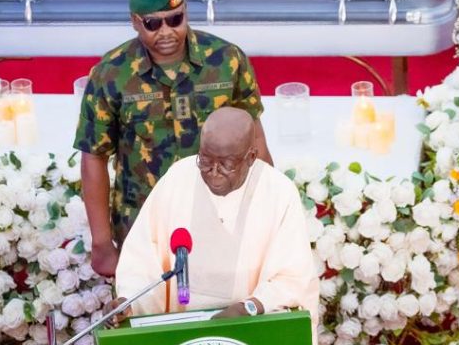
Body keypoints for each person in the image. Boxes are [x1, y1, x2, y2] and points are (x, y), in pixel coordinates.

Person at [74, 0, 272, 278]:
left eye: (175, 19)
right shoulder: (112, 73)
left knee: (221, 306)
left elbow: (254, 139)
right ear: (135, 21)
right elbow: (93, 157)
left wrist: (268, 215)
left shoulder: (226, 61)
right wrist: (101, 243)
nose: (166, 31)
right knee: (147, 307)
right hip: (144, 227)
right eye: (153, 24)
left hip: (221, 219)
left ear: (186, 12)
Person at [113, 107, 317, 320]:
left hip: (251, 326)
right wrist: (129, 303)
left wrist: (249, 307)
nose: (214, 172)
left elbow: (292, 277)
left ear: (251, 157)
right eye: (206, 160)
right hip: (180, 330)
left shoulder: (278, 191)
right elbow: (143, 258)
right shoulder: (178, 179)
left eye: (227, 164)